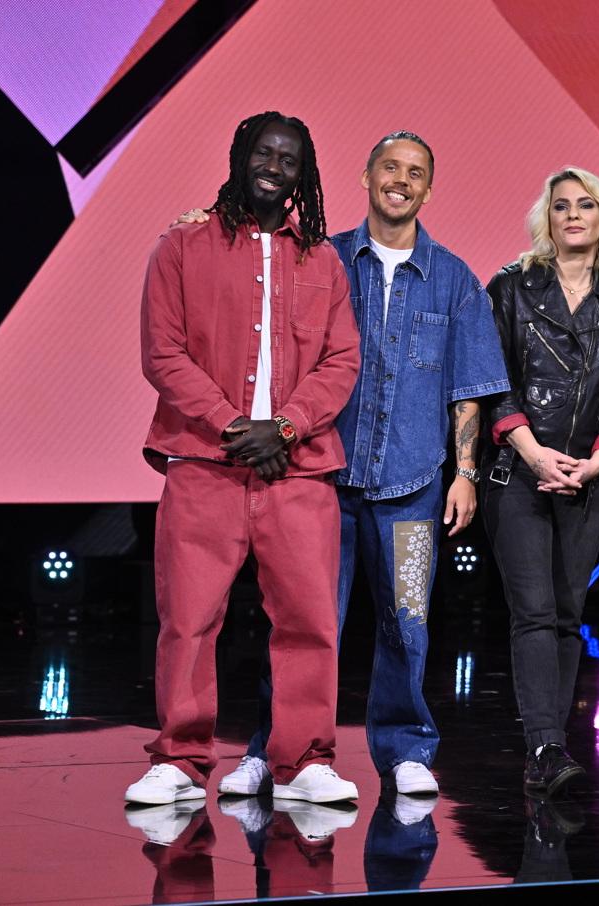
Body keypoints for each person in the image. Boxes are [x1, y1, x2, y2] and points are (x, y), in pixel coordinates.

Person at [182, 131, 510, 798]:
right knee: (301, 622)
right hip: (320, 482)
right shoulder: (319, 259)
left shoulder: (454, 279)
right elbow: (255, 292)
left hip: (416, 485)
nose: (401, 180)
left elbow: (469, 388)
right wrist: (199, 223)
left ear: (428, 188)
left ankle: (407, 750)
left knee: (409, 624)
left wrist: (468, 475)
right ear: (366, 175)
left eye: (416, 171)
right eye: (390, 166)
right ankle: (273, 752)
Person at [127, 111, 361, 805]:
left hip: (300, 469)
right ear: (240, 156)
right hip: (204, 463)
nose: (275, 167)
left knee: (310, 621)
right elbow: (162, 351)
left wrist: (285, 426)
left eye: (289, 160)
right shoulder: (181, 245)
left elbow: (343, 358)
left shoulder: (321, 259)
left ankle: (303, 763)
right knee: (190, 618)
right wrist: (234, 424)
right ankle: (178, 759)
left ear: (303, 175)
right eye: (265, 153)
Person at [482, 167, 599, 797]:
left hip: (587, 478)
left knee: (570, 615)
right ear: (545, 220)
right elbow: (492, 381)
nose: (573, 215)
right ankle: (544, 746)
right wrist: (533, 452)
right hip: (518, 472)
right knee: (535, 612)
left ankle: (554, 745)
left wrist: (597, 462)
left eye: (585, 206)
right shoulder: (511, 288)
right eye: (560, 207)